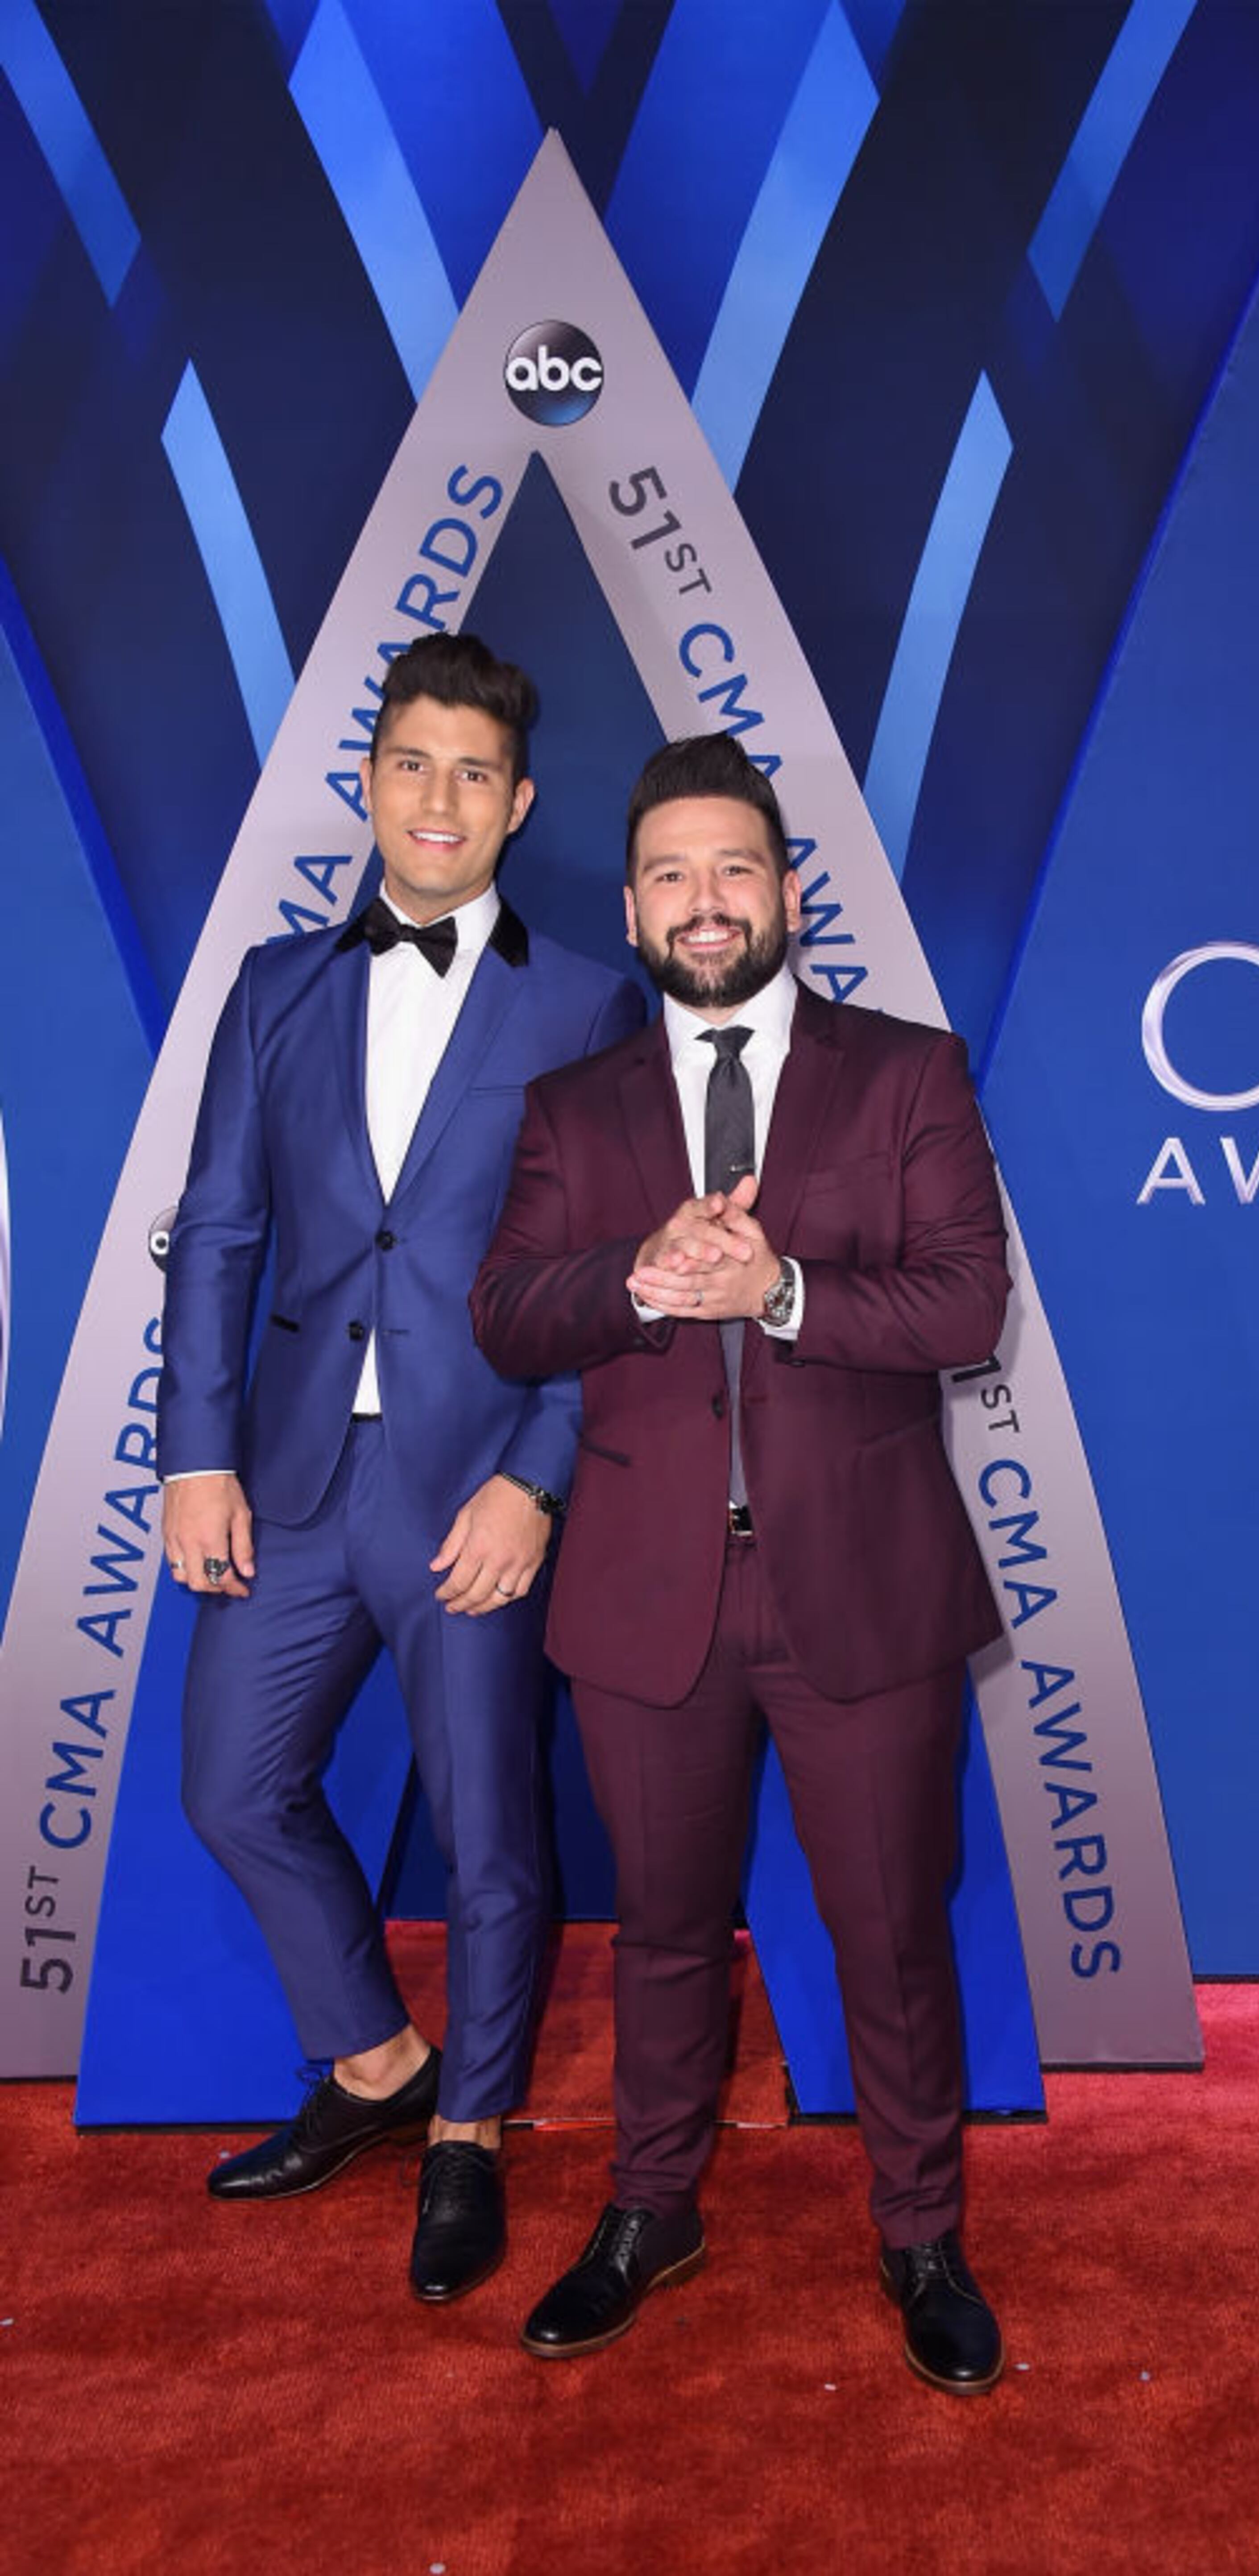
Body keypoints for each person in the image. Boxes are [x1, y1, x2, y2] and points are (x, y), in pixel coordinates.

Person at [470, 732, 1011, 2393]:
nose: (706, 904)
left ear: (788, 889)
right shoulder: (572, 1109)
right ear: (632, 913)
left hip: (863, 1587)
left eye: (734, 869)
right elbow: (505, 1321)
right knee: (662, 1934)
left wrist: (777, 1292)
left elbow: (963, 1306)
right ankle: (652, 2209)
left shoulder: (906, 1071)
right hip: (650, 1599)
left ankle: (921, 2234)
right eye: (671, 878)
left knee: (890, 1932)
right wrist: (636, 1274)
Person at [159, 631, 645, 2304]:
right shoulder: (275, 986)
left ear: (518, 806)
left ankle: (475, 2135)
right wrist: (194, 1457)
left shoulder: (587, 1002)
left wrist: (541, 1477)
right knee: (229, 1783)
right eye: (411, 764)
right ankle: (377, 2065)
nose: (438, 801)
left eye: (473, 775)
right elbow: (220, 1233)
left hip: (473, 1481)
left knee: (494, 1832)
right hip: (289, 1474)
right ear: (370, 781)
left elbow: (617, 1276)